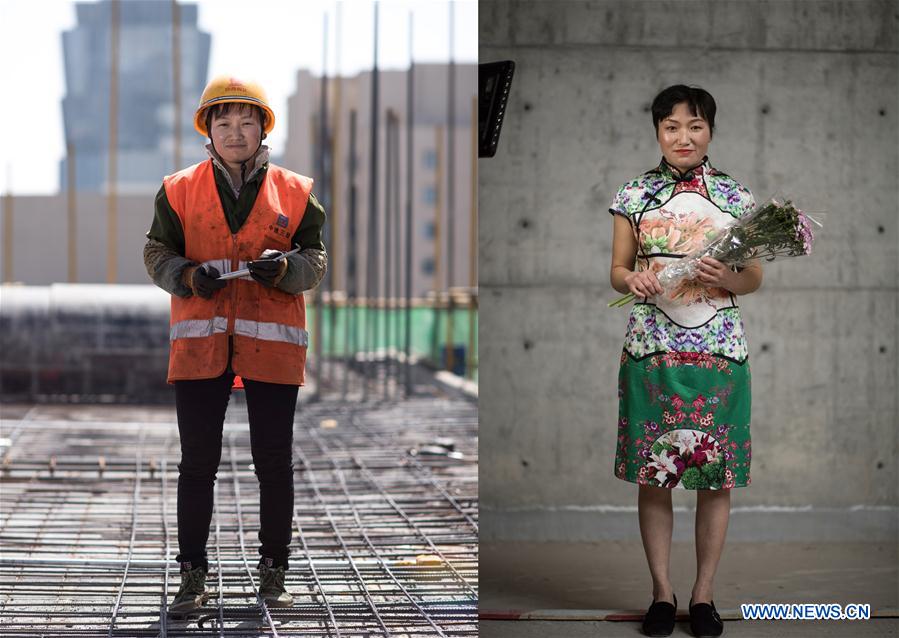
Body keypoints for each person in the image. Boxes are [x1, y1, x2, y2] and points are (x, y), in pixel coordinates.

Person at [143, 75, 327, 614]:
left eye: (247, 121)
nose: (235, 131)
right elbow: (156, 254)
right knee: (197, 463)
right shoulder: (178, 189)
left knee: (274, 462)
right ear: (209, 130)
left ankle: (274, 573)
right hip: (202, 345)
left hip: (271, 345)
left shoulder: (296, 191)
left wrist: (286, 269)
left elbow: (314, 261)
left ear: (262, 128)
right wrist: (186, 276)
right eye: (223, 122)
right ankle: (192, 577)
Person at [608, 85, 762, 638]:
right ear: (657, 131)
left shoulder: (737, 198)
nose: (683, 137)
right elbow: (618, 270)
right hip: (653, 347)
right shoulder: (634, 195)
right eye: (671, 126)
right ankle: (660, 594)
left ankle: (702, 597)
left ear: (711, 131)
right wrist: (634, 278)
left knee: (713, 475)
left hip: (720, 349)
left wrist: (730, 278)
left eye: (695, 126)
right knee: (656, 473)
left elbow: (754, 278)